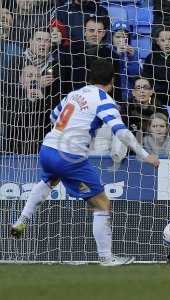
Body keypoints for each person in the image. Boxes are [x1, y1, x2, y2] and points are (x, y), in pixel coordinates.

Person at [10, 59, 159, 266]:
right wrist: (145, 155)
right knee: (102, 204)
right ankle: (107, 258)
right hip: (70, 156)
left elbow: (54, 116)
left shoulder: (74, 94)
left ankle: (22, 220)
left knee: (48, 182)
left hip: (47, 148)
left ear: (90, 77)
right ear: (112, 81)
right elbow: (121, 132)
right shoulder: (105, 101)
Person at [110, 21, 140, 102]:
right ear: (112, 38)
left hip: (130, 95)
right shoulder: (107, 51)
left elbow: (136, 75)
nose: (121, 40)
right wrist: (118, 56)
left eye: (124, 37)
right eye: (118, 37)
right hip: (113, 94)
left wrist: (132, 58)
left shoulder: (133, 52)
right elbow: (111, 74)